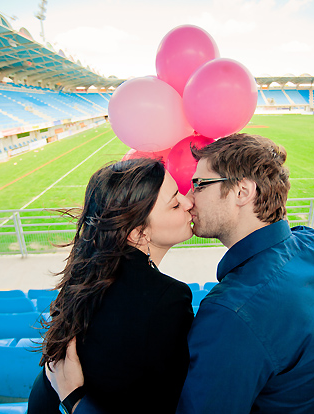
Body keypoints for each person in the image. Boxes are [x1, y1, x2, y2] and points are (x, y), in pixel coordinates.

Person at [49, 133, 314, 414]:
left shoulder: (231, 314)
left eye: (200, 184)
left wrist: (75, 399)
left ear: (242, 192)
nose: (189, 198)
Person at [28, 158, 195, 414]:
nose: (188, 202)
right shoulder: (167, 299)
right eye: (175, 203)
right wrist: (73, 401)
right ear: (138, 233)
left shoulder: (86, 274)